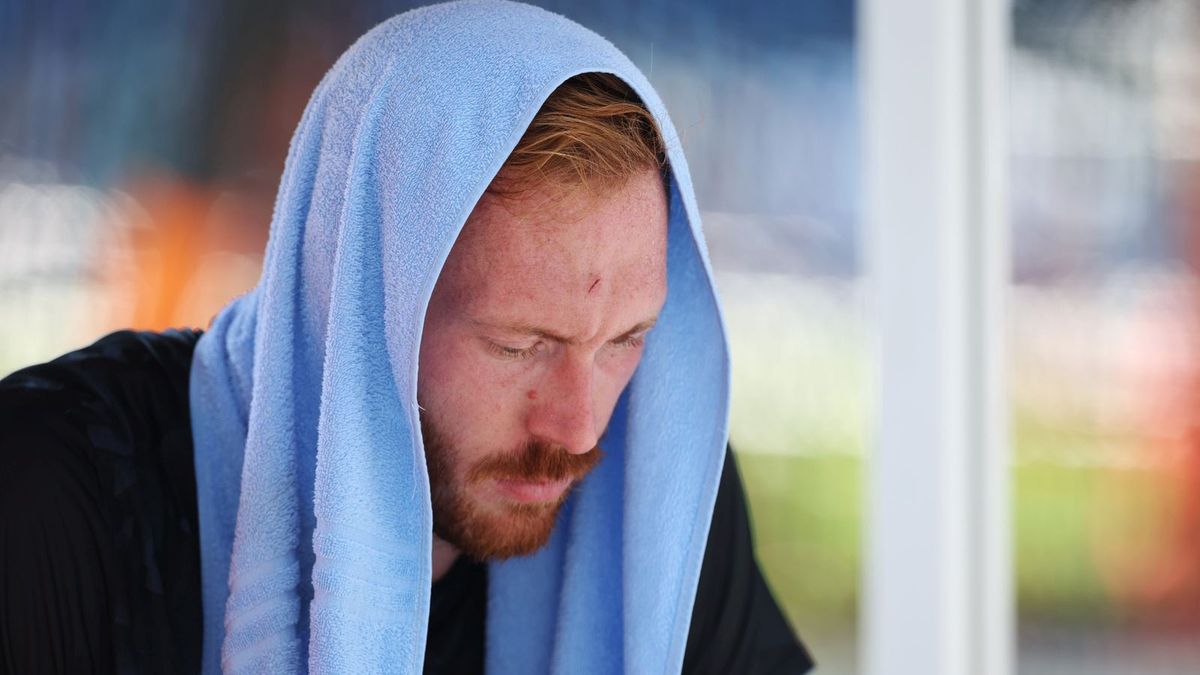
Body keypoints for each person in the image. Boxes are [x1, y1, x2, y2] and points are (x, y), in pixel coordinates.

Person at [0, 2, 812, 673]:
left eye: (625, 341)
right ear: (350, 306)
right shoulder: (48, 493)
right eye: (519, 345)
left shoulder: (649, 488)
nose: (579, 427)